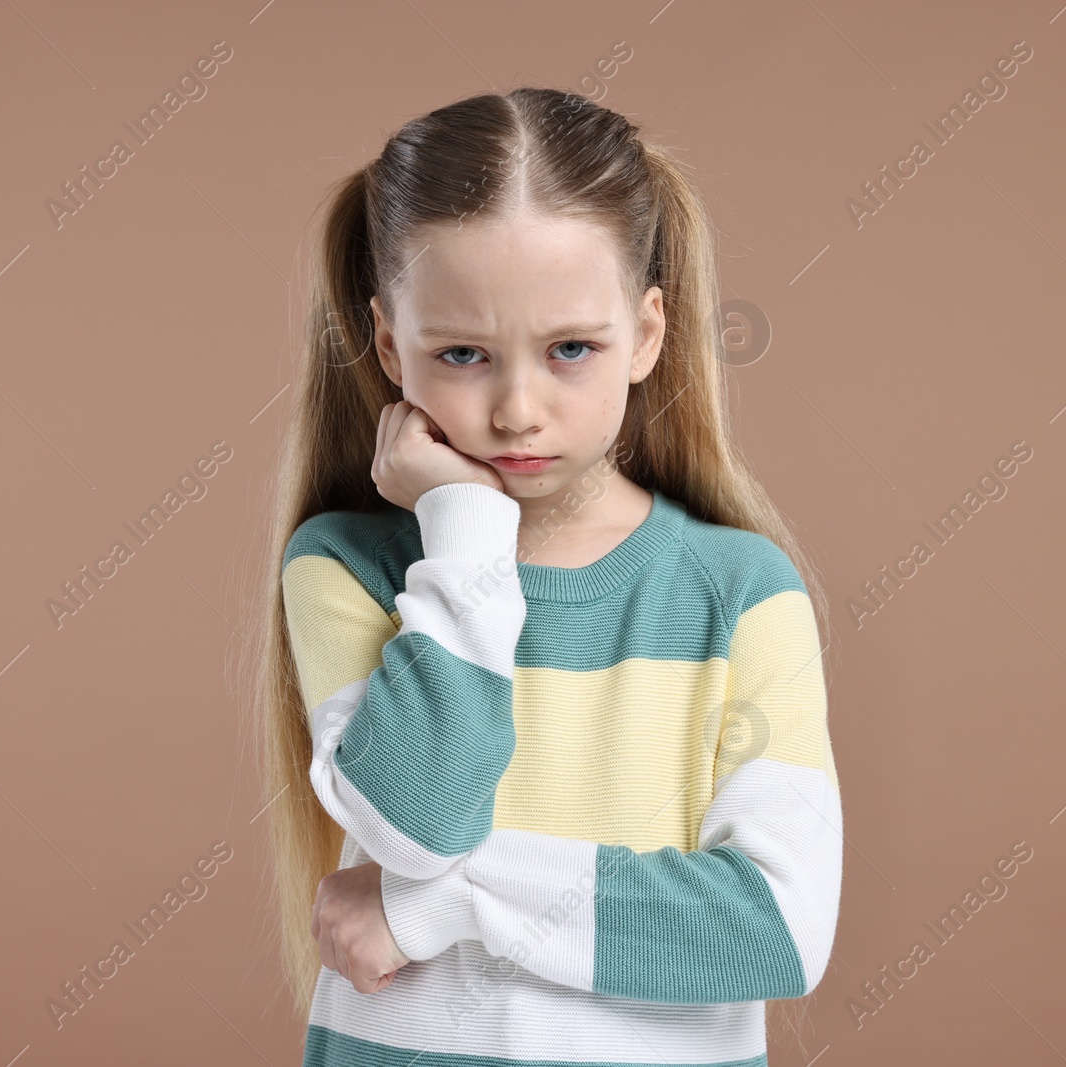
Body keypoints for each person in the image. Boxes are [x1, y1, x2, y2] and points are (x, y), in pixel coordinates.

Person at [248, 85, 842, 1066]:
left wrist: (437, 900)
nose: (518, 409)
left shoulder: (741, 593)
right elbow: (422, 819)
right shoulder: (343, 567)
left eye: (571, 349)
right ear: (391, 345)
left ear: (647, 333)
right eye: (463, 353)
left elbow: (771, 926)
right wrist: (468, 527)